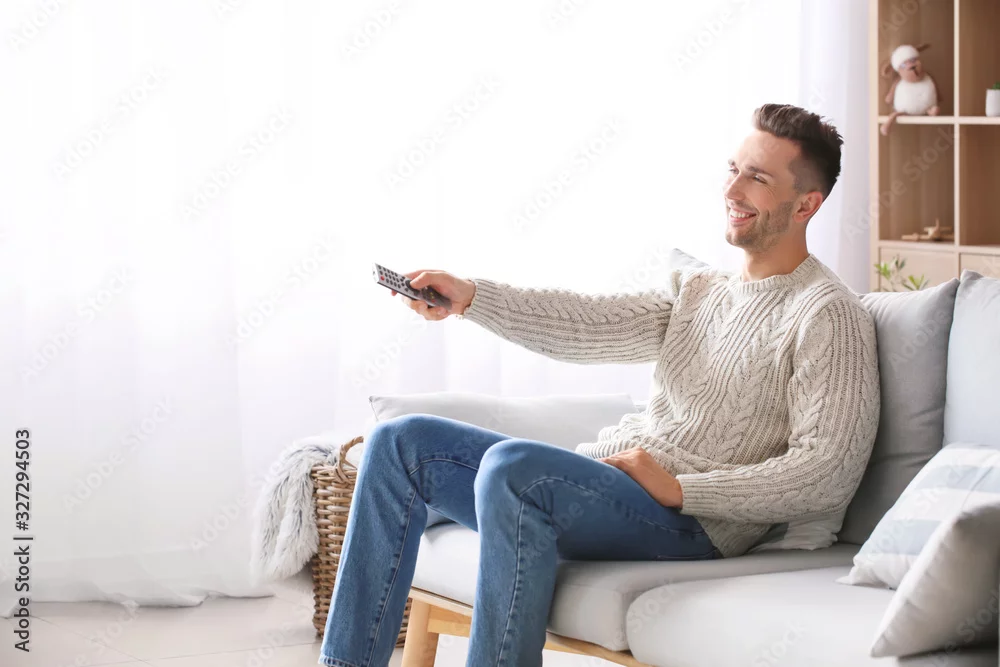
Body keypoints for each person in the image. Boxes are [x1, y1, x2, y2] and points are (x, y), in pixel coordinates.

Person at [318, 103, 880, 667]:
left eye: (757, 178)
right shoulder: (700, 290)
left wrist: (681, 490)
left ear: (806, 204)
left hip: (691, 524)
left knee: (515, 466)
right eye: (733, 169)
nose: (732, 189)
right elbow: (586, 325)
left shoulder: (828, 313)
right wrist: (471, 298)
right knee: (399, 442)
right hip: (608, 487)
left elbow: (826, 473)